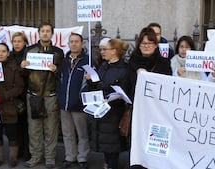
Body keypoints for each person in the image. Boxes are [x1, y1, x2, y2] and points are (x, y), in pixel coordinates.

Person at [20, 22, 64, 168]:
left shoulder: (58, 52)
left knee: (51, 128)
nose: (45, 33)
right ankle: (36, 156)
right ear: (39, 33)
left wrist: (56, 69)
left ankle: (50, 157)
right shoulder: (29, 50)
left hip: (50, 95)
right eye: (43, 31)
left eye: (48, 31)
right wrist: (23, 67)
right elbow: (24, 75)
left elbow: (62, 75)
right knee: (34, 128)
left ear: (52, 34)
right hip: (33, 95)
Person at [127, 27, 172, 169]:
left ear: (156, 45)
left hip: (156, 114)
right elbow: (127, 86)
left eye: (150, 43)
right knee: (137, 147)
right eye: (143, 43)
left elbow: (168, 88)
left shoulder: (163, 63)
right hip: (137, 113)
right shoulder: (132, 63)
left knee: (155, 148)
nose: (146, 46)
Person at [85, 38, 131, 169]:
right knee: (105, 143)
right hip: (101, 109)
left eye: (105, 49)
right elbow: (96, 85)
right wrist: (90, 80)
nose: (102, 52)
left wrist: (104, 88)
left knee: (113, 144)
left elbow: (124, 89)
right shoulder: (103, 66)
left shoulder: (124, 69)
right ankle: (107, 164)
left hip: (114, 112)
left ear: (114, 51)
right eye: (100, 50)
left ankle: (111, 165)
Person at [57, 33, 90, 169]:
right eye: (71, 41)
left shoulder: (88, 61)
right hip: (64, 103)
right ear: (68, 44)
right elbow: (59, 80)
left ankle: (82, 158)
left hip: (79, 104)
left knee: (82, 133)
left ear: (82, 44)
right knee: (67, 132)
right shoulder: (64, 61)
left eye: (77, 41)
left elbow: (93, 83)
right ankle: (70, 156)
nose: (74, 44)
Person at [9, 32, 31, 161]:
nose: (17, 44)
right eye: (14, 41)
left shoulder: (28, 56)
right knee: (15, 125)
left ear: (25, 43)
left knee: (27, 126)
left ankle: (27, 152)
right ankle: (18, 150)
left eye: (19, 41)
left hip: (25, 94)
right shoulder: (9, 56)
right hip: (12, 97)